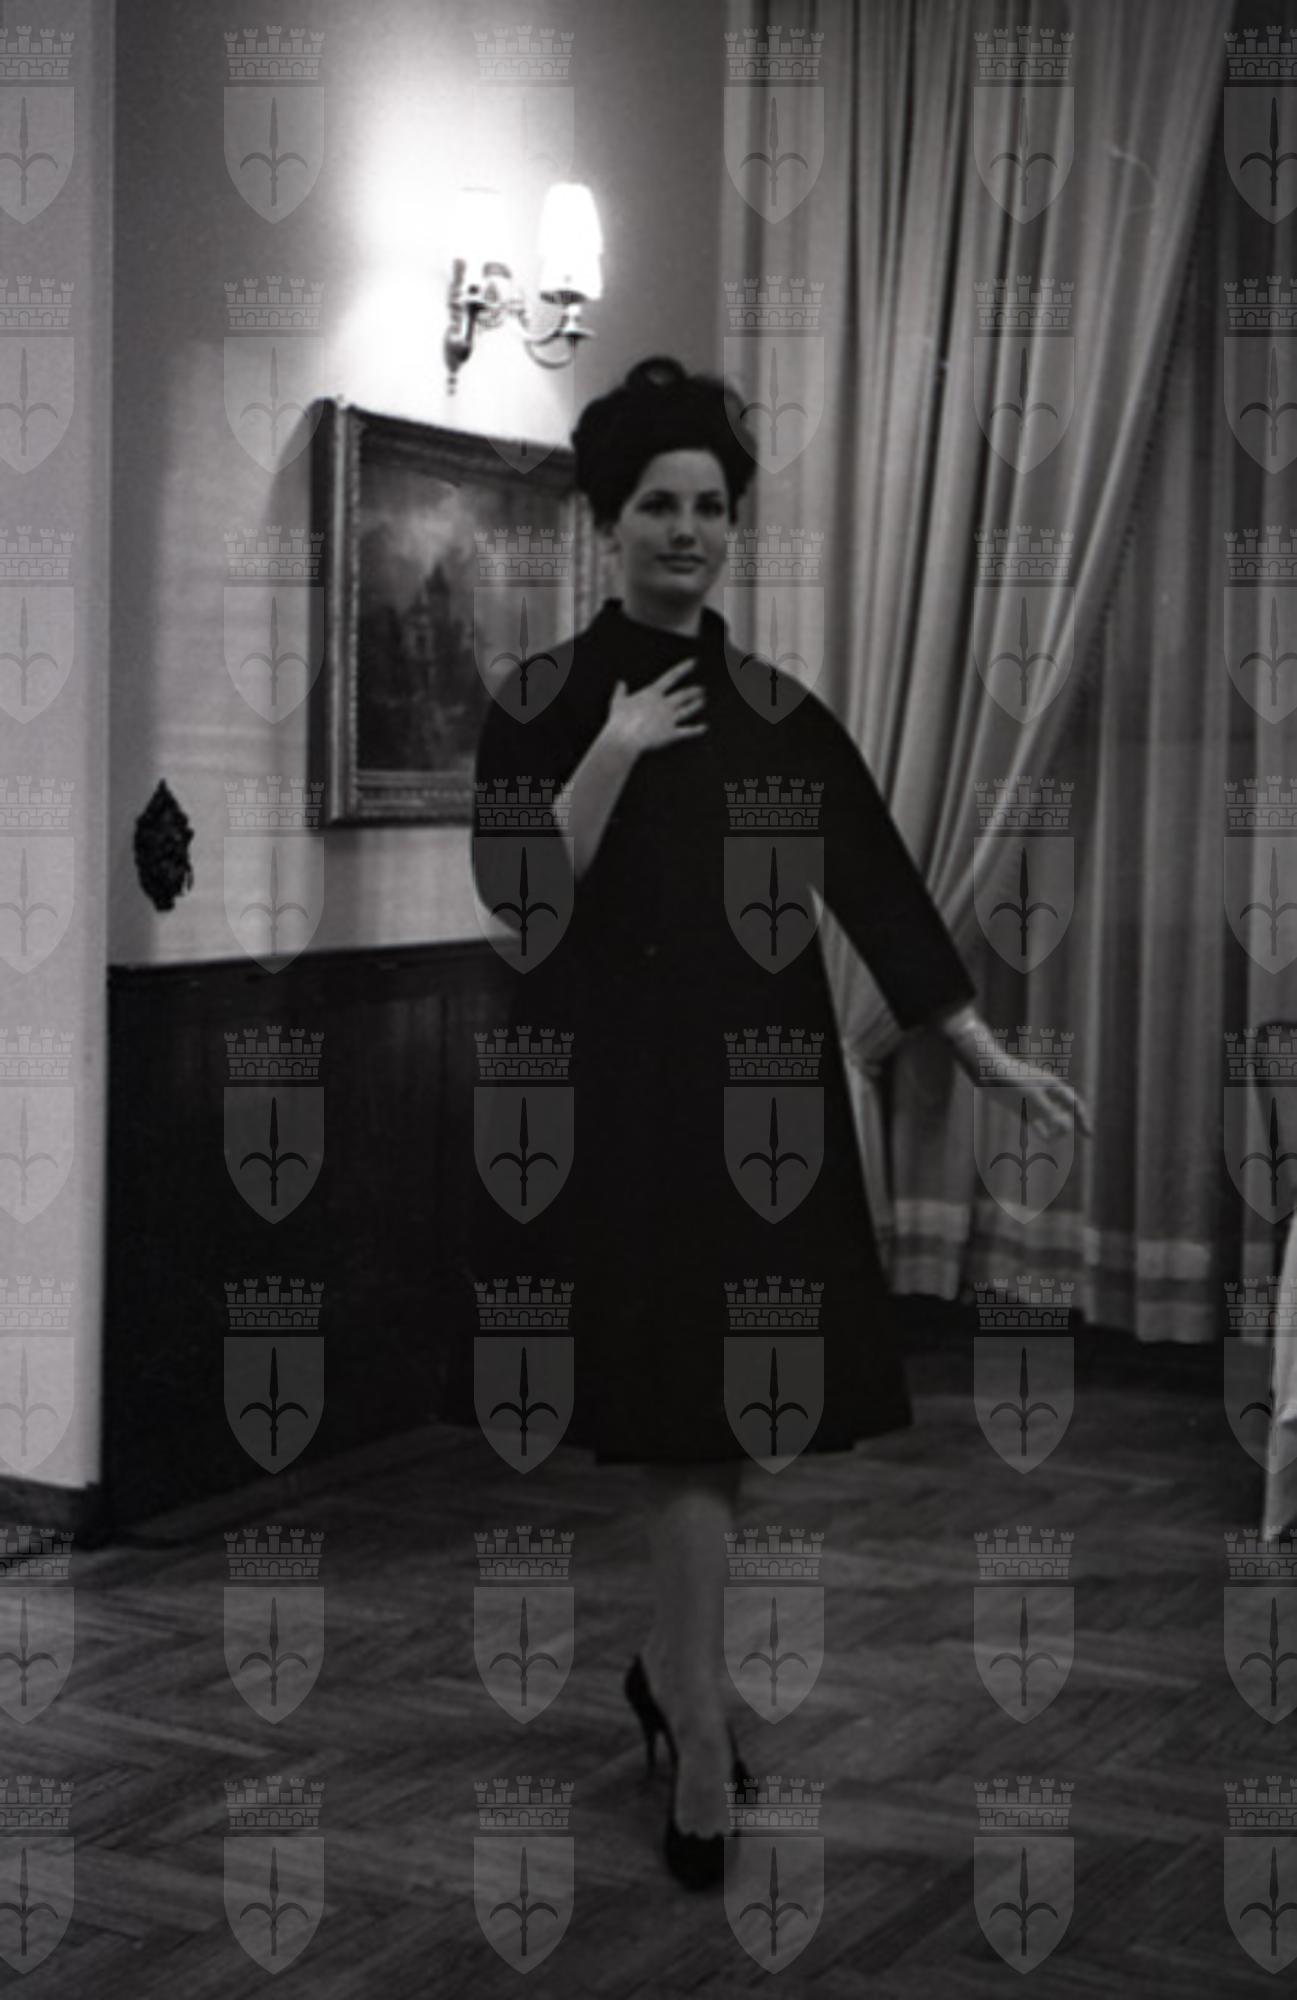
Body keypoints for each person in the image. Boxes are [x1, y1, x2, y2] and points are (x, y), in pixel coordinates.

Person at [467, 356, 1090, 1890]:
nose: (686, 531)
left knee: (733, 1422)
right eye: (657, 506)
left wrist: (978, 1052)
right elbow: (517, 907)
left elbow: (875, 884)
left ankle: (665, 1670)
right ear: (607, 522)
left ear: (731, 526)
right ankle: (695, 1720)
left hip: (765, 1106)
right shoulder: (539, 702)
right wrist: (611, 750)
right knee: (688, 1424)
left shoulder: (779, 715)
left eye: (710, 507)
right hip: (620, 1106)